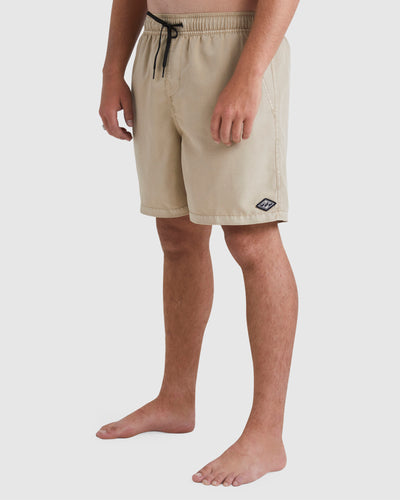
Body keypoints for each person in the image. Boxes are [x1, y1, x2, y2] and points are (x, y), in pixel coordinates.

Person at [97, 0, 300, 488]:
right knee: (176, 234)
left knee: (251, 238)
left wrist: (250, 72)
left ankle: (267, 434)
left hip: (233, 45)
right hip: (158, 45)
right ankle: (175, 399)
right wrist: (112, 68)